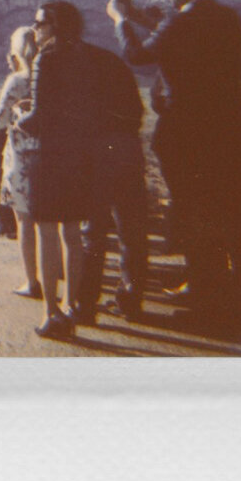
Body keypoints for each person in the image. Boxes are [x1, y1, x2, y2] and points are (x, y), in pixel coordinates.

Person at [107, 0, 241, 329]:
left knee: (193, 214)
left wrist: (121, 21)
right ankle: (216, 290)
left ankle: (208, 309)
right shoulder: (226, 19)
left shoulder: (181, 23)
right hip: (229, 133)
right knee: (221, 211)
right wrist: (152, 21)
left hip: (188, 136)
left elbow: (140, 56)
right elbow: (182, 42)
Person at [16, 1, 116, 340]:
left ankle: (52, 313)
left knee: (47, 233)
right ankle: (72, 305)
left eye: (40, 22)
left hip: (51, 157)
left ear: (55, 25)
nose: (35, 28)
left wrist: (20, 118)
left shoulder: (48, 57)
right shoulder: (88, 57)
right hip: (82, 156)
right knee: (73, 235)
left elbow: (39, 117)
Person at [75, 40, 149, 325]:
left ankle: (85, 304)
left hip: (98, 153)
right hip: (128, 148)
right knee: (132, 230)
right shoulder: (112, 62)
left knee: (92, 232)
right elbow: (137, 112)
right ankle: (131, 299)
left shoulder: (77, 67)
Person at [0, 29, 37, 242]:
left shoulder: (17, 80)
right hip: (40, 142)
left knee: (0, 175)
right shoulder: (47, 76)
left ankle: (6, 224)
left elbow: (1, 114)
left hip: (14, 139)